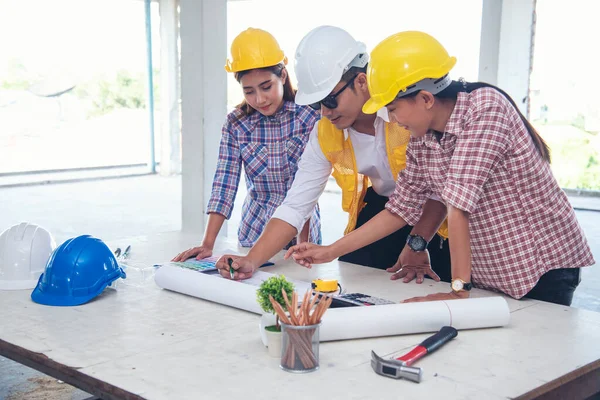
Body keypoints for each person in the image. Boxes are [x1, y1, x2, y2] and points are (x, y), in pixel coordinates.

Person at [284, 31, 595, 307]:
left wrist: (458, 290)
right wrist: (330, 251)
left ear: (425, 98)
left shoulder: (485, 109)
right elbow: (401, 209)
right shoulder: (422, 139)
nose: (390, 119)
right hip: (495, 273)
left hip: (541, 268)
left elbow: (457, 205)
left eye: (392, 108)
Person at [215, 26, 451, 283]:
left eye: (329, 101)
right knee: (356, 275)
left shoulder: (407, 114)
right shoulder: (325, 132)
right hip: (383, 207)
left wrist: (418, 241)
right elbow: (296, 204)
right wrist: (251, 260)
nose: (324, 113)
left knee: (439, 280)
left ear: (360, 82)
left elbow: (438, 189)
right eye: (317, 104)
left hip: (438, 213)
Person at [173, 28, 321, 262]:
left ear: (282, 75)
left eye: (266, 86)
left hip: (302, 233)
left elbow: (308, 188)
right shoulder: (236, 123)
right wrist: (207, 244)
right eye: (249, 91)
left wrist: (303, 243)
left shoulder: (309, 116)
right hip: (254, 231)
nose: (259, 99)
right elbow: (224, 182)